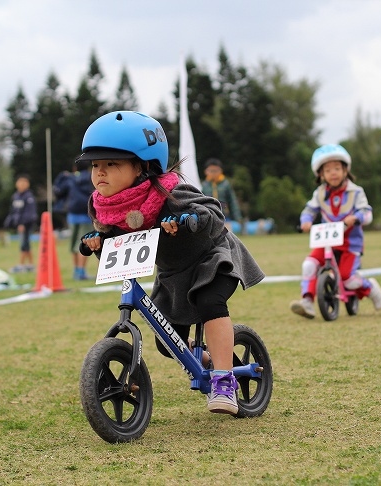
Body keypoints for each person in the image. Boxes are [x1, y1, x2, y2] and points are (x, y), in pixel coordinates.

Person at [79, 111, 265, 414]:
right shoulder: (104, 206)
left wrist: (188, 220)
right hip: (173, 272)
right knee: (168, 343)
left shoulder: (169, 190)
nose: (100, 172)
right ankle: (206, 359)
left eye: (111, 164)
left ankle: (223, 379)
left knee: (209, 302)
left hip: (212, 258)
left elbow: (213, 213)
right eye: (95, 165)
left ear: (143, 166)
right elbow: (116, 246)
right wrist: (97, 243)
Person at [289, 144, 381, 318]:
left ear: (345, 170)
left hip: (350, 243)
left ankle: (370, 287)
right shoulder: (319, 193)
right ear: (321, 174)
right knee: (309, 264)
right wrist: (306, 221)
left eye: (337, 168)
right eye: (328, 170)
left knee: (348, 278)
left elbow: (367, 212)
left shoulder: (356, 192)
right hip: (327, 241)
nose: (333, 173)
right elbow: (309, 210)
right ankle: (307, 302)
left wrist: (356, 218)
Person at [53, 160, 94, 280]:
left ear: (75, 168)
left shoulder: (70, 178)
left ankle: (76, 270)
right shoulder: (92, 177)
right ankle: (82, 271)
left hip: (72, 215)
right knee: (84, 243)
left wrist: (62, 176)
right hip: (86, 214)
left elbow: (59, 191)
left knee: (73, 244)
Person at [4, 174, 38, 273]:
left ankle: (22, 265)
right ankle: (31, 265)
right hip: (19, 224)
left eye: (24, 182)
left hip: (26, 224)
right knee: (26, 244)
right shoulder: (15, 196)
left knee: (24, 244)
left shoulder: (29, 197)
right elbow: (13, 211)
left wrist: (22, 223)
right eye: (20, 182)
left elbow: (29, 213)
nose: (22, 184)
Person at [201, 158, 243, 227]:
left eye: (216, 171)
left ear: (221, 171)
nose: (213, 173)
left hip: (225, 215)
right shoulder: (204, 185)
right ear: (206, 171)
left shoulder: (225, 184)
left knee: (226, 234)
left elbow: (232, 201)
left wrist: (237, 216)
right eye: (211, 171)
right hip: (210, 216)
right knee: (212, 236)